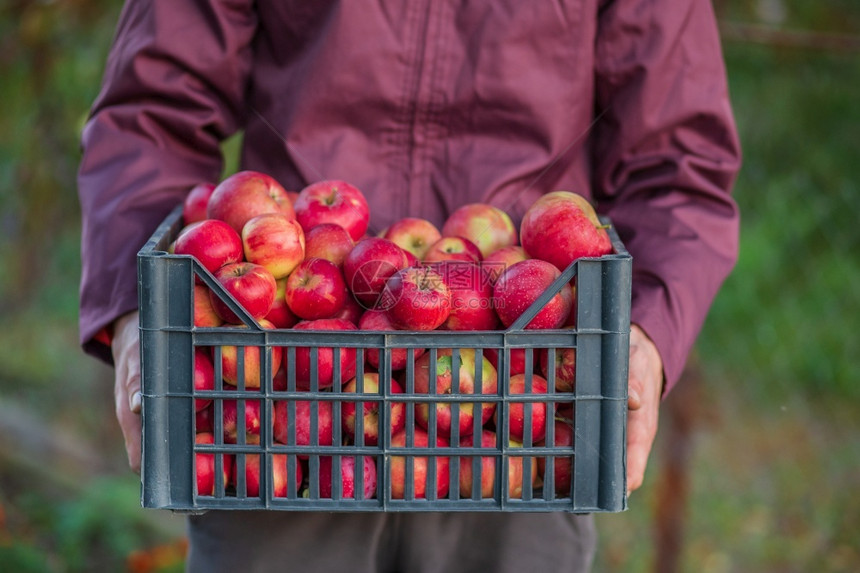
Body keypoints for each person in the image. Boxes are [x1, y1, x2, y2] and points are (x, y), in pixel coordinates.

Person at [78, 1, 740, 571]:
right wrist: (138, 308)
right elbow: (151, 115)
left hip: (523, 399)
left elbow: (678, 159)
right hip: (287, 394)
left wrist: (646, 328)